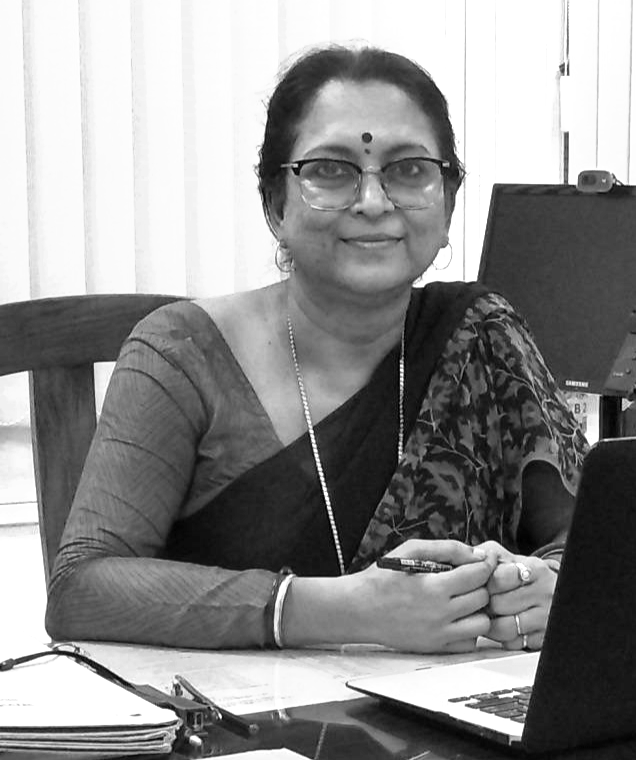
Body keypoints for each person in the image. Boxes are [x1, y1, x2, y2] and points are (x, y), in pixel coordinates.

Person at [45, 44, 588, 653]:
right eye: (331, 170)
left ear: (448, 204)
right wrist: (340, 610)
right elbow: (81, 588)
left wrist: (550, 589)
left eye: (409, 169)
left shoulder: (484, 338)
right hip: (236, 711)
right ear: (275, 204)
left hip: (451, 707)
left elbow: (596, 544)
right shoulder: (182, 353)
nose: (374, 202)